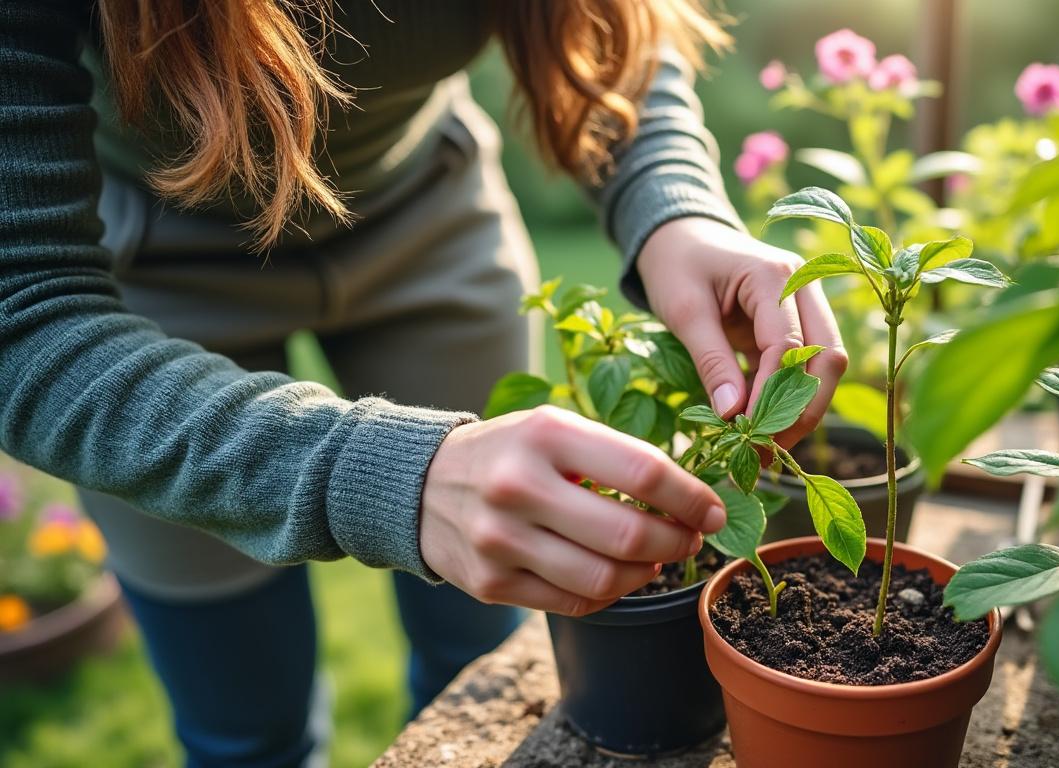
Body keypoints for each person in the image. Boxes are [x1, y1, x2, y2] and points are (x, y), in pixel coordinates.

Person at [0, 1, 847, 764]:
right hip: (146, 279)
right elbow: (19, 314)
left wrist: (675, 208)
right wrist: (376, 474)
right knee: (243, 730)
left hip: (423, 211)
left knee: (479, 669)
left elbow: (608, 33)